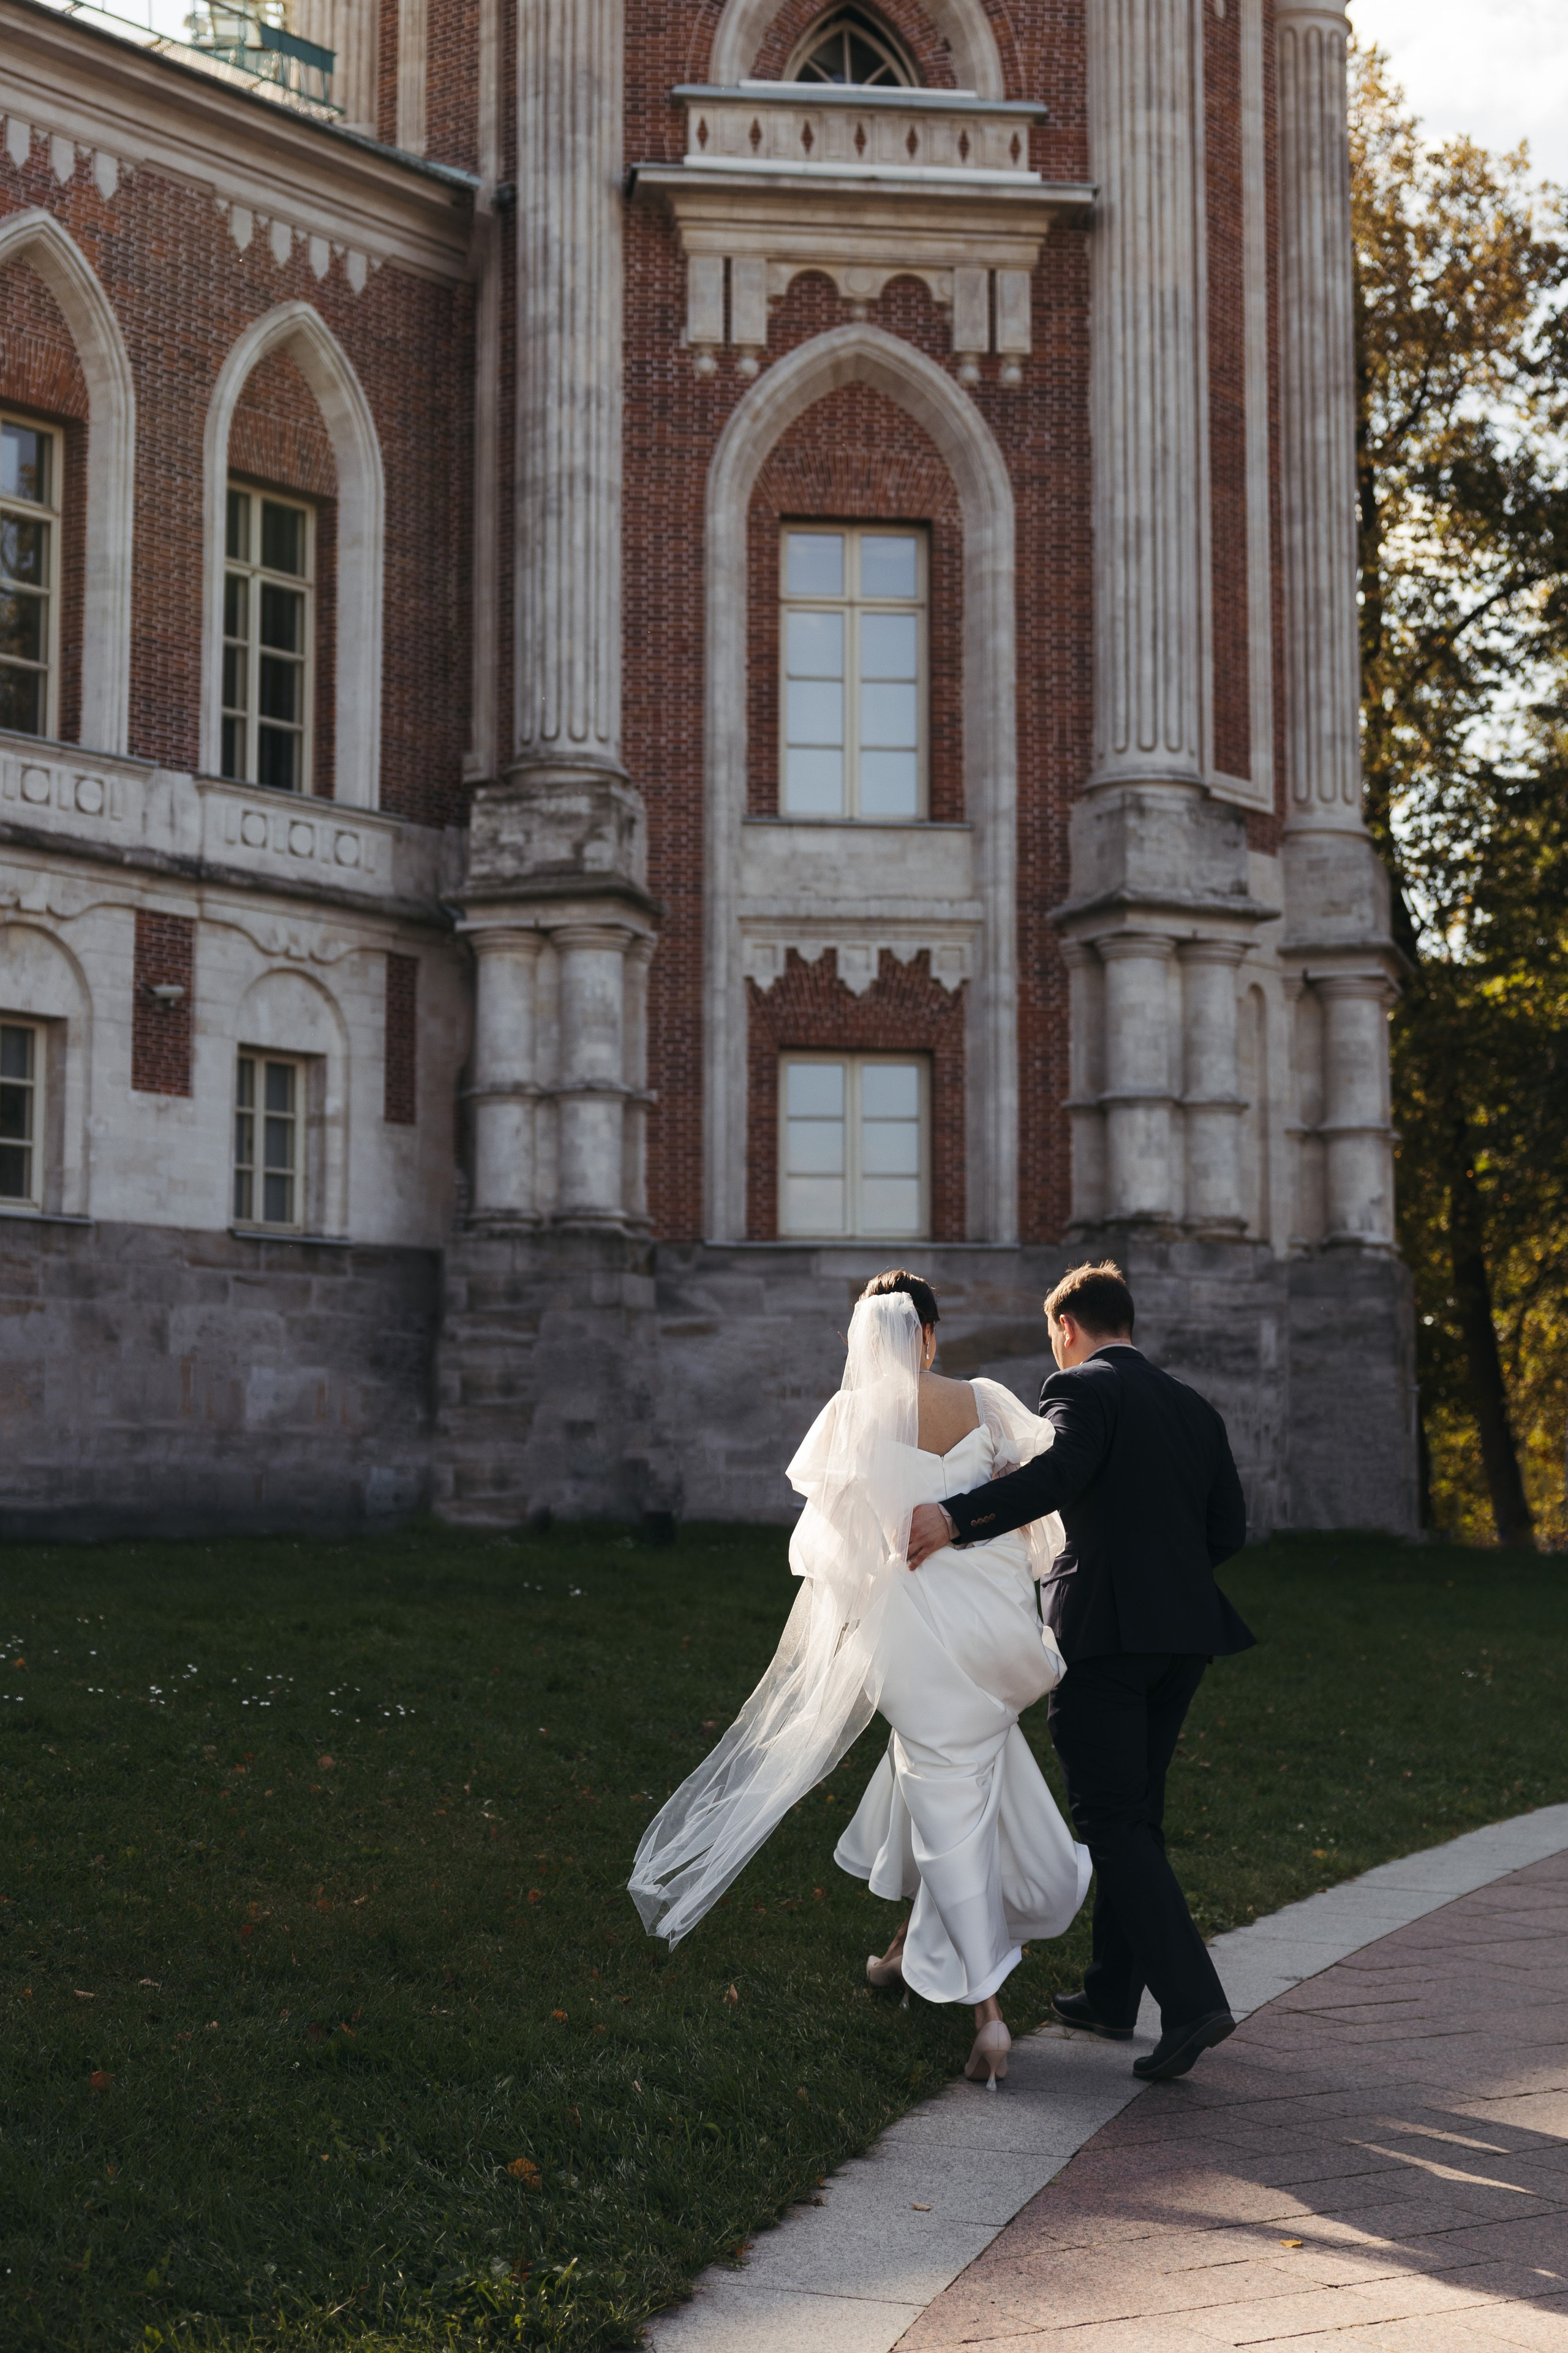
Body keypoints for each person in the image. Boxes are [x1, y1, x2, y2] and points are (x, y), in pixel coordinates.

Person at [628, 1270, 1089, 2090]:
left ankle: (987, 2015)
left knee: (946, 1792)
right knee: (961, 1771)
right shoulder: (985, 1399)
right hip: (994, 1628)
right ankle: (902, 1954)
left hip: (917, 1637)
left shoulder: (849, 1419)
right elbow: (1036, 1509)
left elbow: (823, 1553)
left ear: (864, 1343)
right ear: (932, 1336)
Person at [907, 1260, 1253, 2084]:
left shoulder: (1079, 1391)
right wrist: (1169, 1581)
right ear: (1125, 1320)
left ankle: (1193, 1998)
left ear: (1066, 1327)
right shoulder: (1196, 1408)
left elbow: (1059, 1475)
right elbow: (1228, 1529)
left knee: (1108, 1816)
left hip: (1102, 1634)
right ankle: (1109, 1991)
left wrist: (957, 1516)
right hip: (1185, 1639)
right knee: (1138, 1815)